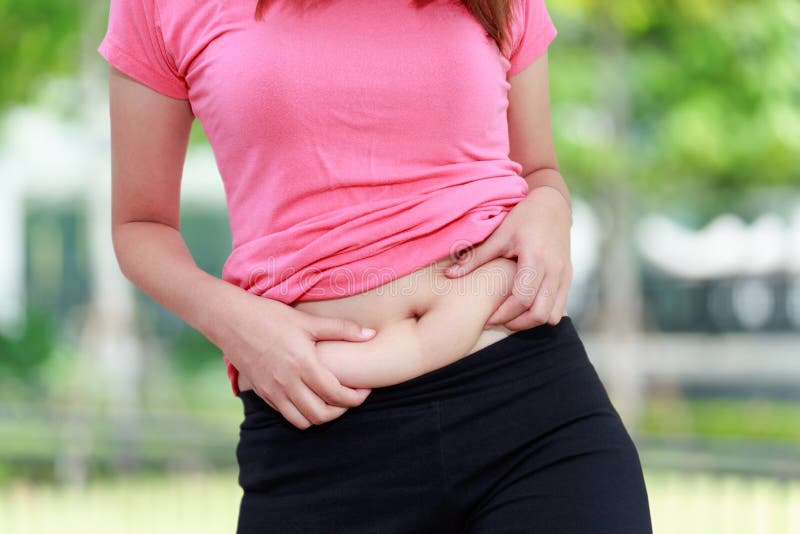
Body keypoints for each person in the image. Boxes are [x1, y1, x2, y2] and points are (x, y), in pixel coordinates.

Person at [98, 0, 653, 532]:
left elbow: (539, 171)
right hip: (317, 425)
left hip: (529, 402)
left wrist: (553, 207)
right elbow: (140, 228)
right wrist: (238, 325)